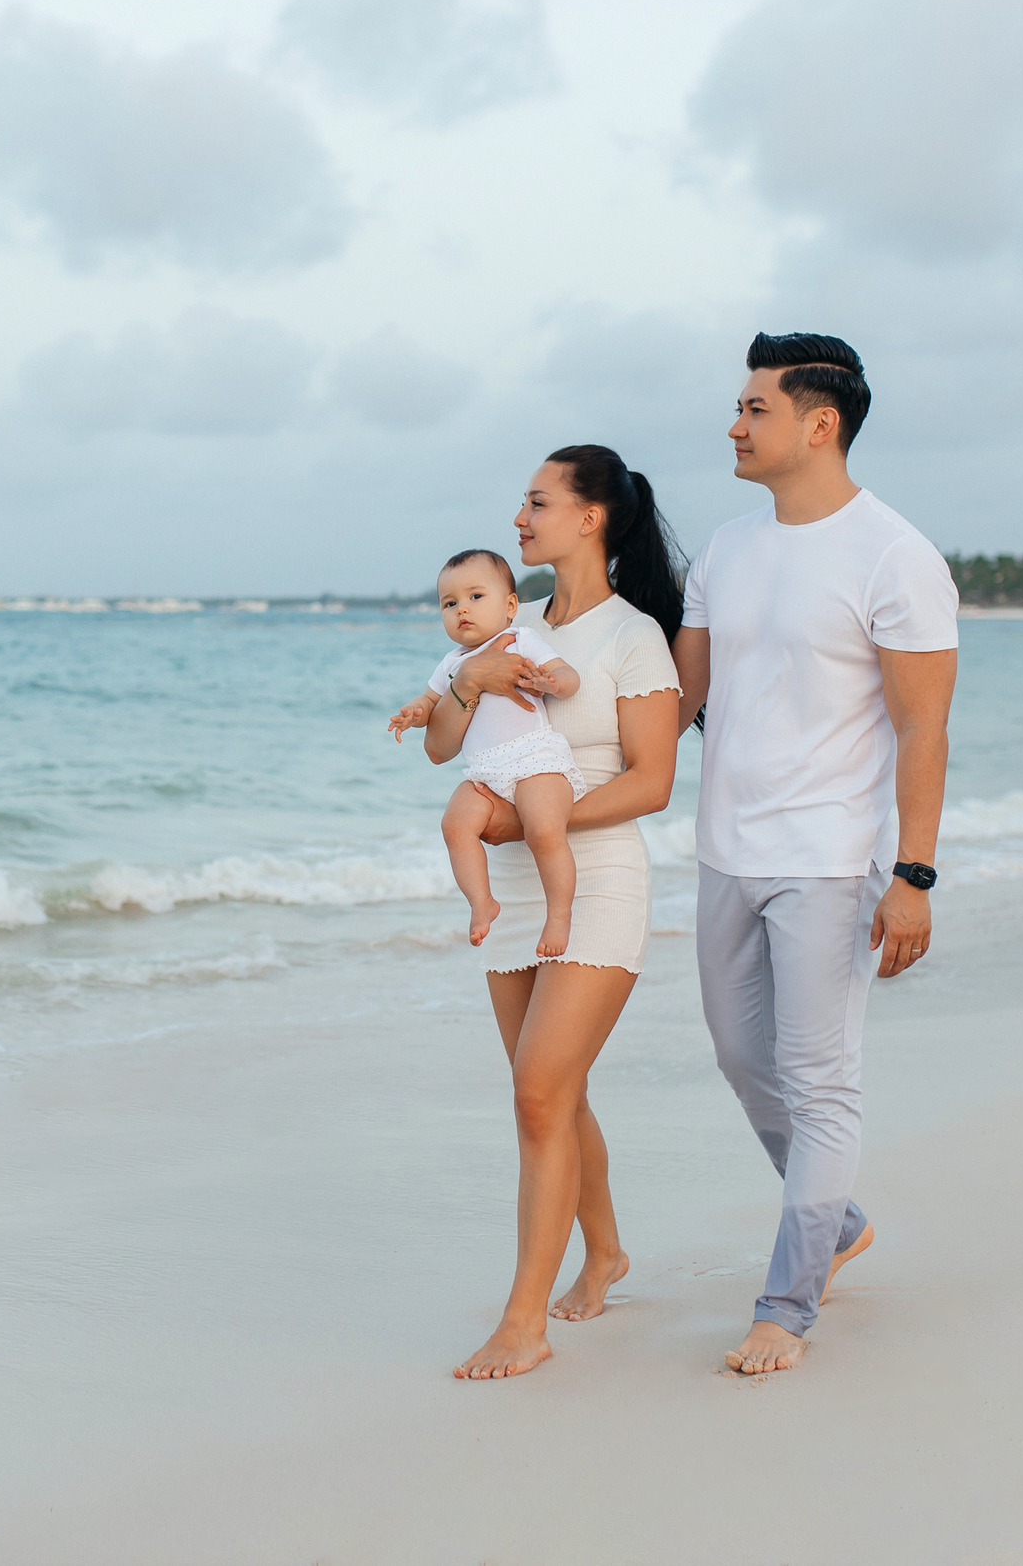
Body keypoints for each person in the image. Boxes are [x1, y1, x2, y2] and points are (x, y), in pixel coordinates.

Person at [671, 333, 959, 1377]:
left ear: (819, 423)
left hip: (830, 859)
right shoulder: (725, 548)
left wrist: (912, 875)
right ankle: (838, 1222)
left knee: (818, 1082)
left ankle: (785, 1305)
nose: (735, 426)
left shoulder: (894, 555)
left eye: (755, 409)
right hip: (725, 849)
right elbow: (681, 698)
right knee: (743, 1061)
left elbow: (923, 727)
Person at [422, 446, 686, 1380]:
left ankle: (523, 1319)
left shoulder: (633, 637)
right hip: (518, 881)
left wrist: (534, 821)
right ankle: (604, 1251)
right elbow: (442, 748)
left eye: (537, 502)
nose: (520, 519)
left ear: (590, 518)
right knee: (554, 1094)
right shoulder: (507, 622)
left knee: (538, 1091)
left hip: (595, 875)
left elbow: (653, 783)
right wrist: (467, 684)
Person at [389, 549, 586, 956]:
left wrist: (552, 683)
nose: (462, 609)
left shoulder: (520, 640)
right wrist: (414, 712)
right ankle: (482, 902)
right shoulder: (452, 663)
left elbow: (568, 676)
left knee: (544, 829)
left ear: (510, 606)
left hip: (534, 760)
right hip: (485, 773)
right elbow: (431, 702)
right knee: (455, 825)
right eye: (449, 603)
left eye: (475, 597)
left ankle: (559, 914)